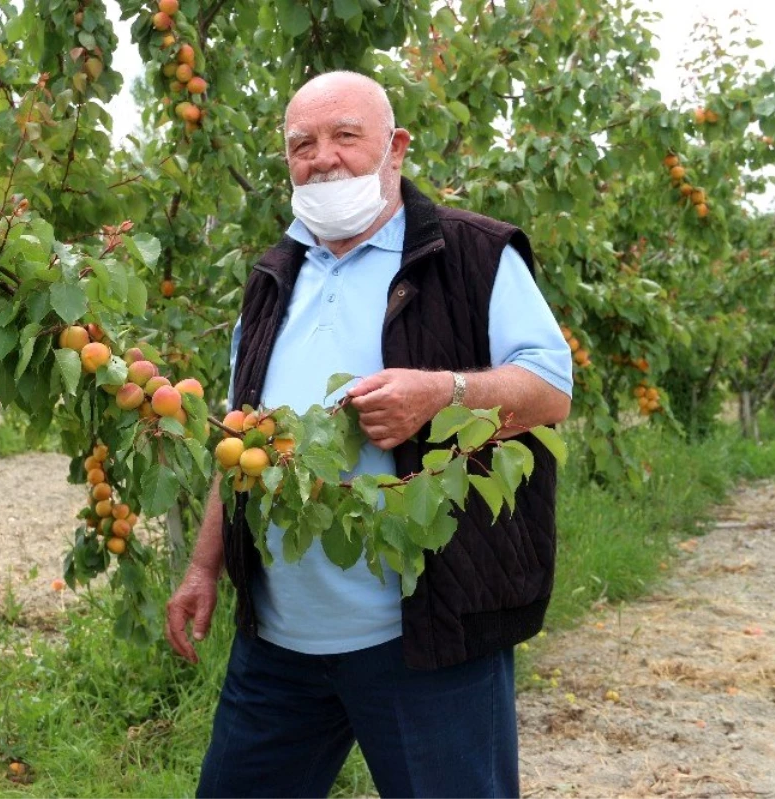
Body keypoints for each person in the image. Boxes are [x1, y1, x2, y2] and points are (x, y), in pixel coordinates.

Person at [165, 71, 572, 798]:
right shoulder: (272, 278)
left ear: (395, 148)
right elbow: (241, 440)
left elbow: (551, 388)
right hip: (279, 647)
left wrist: (443, 393)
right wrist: (203, 565)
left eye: (344, 135)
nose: (322, 157)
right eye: (302, 143)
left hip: (427, 643)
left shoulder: (473, 255)